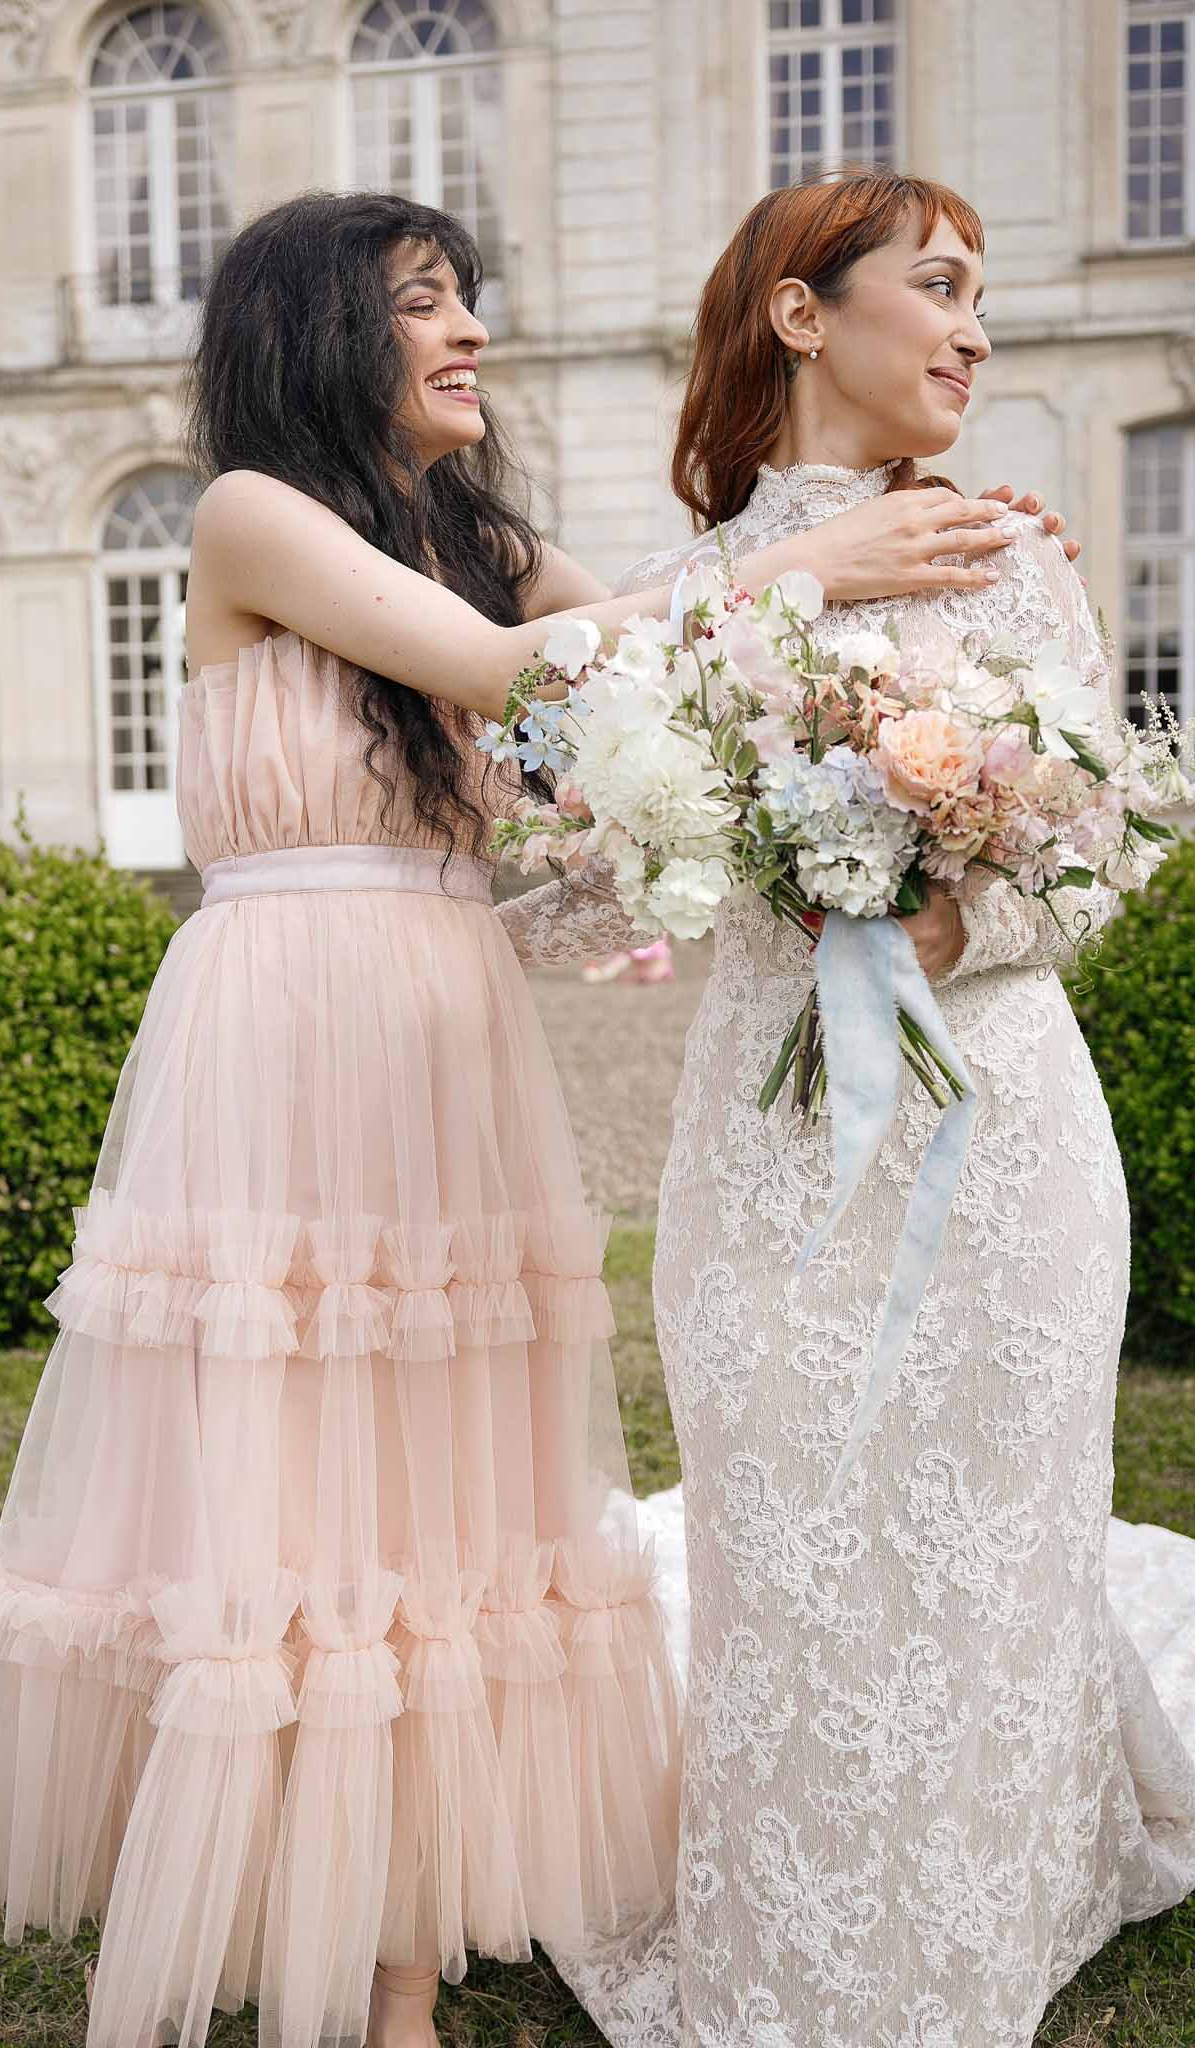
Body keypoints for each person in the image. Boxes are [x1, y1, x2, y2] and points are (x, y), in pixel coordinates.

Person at [0, 191, 1084, 2048]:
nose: (470, 334)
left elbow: (658, 661)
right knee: (283, 1472)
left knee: (443, 1481)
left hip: (446, 1022)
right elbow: (520, 675)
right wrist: (813, 563)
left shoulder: (480, 531)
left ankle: (404, 1948)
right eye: (426, 304)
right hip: (282, 1028)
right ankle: (264, 1889)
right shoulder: (251, 513)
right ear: (323, 333)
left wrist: (885, 578)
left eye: (471, 300)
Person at [531, 170, 1195, 2048]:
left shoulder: (1016, 549)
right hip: (771, 1144)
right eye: (943, 286)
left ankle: (993, 1899)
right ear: (806, 317)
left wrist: (965, 896)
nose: (976, 327)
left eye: (982, 293)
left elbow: (1119, 834)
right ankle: (806, 1935)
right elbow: (559, 857)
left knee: (995, 1533)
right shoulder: (683, 598)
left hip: (1010, 1132)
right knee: (798, 1537)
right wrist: (744, 652)